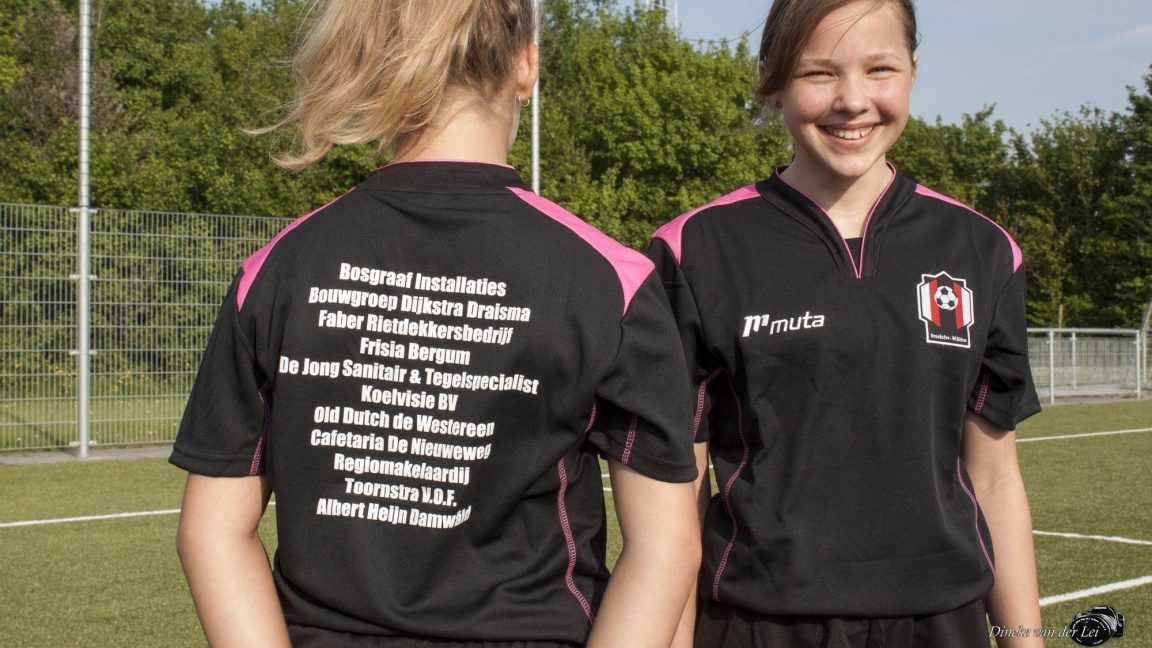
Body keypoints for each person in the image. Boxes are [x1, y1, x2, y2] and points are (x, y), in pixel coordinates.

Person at [171, 1, 700, 646]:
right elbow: (666, 547)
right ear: (526, 67)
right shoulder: (610, 281)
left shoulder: (278, 267)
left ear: (372, 65)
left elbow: (214, 531)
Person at [648, 1, 1044, 646]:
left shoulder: (983, 249)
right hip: (757, 624)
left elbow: (996, 477)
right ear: (772, 79)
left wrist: (1025, 639)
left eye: (879, 69)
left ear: (913, 70)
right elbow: (676, 501)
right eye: (819, 73)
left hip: (945, 623)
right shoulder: (693, 251)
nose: (853, 100)